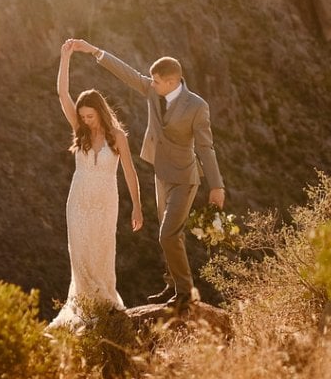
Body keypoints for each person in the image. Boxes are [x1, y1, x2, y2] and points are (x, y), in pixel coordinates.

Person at [70, 39, 225, 315]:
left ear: (171, 82)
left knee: (168, 234)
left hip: (184, 177)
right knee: (168, 233)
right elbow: (128, 73)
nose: (150, 84)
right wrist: (94, 51)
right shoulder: (153, 92)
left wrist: (217, 186)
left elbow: (205, 147)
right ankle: (172, 283)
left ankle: (186, 292)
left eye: (155, 81)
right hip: (160, 174)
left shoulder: (196, 106)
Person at [50, 39, 143, 329]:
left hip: (105, 203)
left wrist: (137, 207)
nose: (86, 121)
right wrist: (66, 58)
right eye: (83, 117)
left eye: (90, 116)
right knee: (80, 254)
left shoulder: (117, 136)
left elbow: (130, 172)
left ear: (100, 112)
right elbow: (62, 93)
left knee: (101, 253)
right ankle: (83, 308)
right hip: (77, 201)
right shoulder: (80, 130)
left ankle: (102, 305)